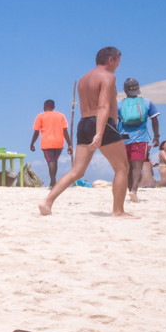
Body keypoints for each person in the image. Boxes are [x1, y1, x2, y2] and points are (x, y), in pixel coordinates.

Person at [40, 47, 133, 217]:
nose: (119, 65)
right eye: (118, 61)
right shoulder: (108, 77)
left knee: (77, 171)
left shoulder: (83, 79)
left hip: (84, 124)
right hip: (103, 124)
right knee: (122, 167)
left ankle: (47, 201)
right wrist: (99, 133)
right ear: (111, 60)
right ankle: (118, 211)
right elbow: (103, 106)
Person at [115, 79, 158, 200]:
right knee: (137, 167)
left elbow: (113, 122)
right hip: (140, 138)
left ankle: (129, 190)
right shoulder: (147, 103)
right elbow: (154, 120)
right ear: (138, 89)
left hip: (123, 139)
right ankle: (134, 190)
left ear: (125, 90)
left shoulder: (119, 105)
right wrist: (156, 136)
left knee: (126, 167)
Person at [29, 99, 70, 186]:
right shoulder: (61, 116)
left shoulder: (40, 116)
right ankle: (52, 182)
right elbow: (65, 131)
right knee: (54, 161)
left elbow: (36, 132)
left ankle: (53, 183)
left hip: (47, 143)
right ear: (53, 107)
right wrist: (69, 144)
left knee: (51, 162)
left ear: (44, 107)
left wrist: (32, 143)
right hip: (59, 143)